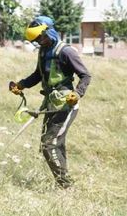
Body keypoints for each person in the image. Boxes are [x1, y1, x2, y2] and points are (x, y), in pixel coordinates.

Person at [9, 16, 91, 188]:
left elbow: (85, 75)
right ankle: (66, 184)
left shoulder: (66, 51)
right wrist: (21, 85)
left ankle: (65, 186)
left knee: (49, 144)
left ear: (50, 31)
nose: (40, 42)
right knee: (54, 143)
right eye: (36, 40)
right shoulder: (43, 51)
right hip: (50, 103)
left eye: (41, 37)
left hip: (66, 104)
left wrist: (77, 93)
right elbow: (38, 75)